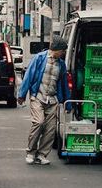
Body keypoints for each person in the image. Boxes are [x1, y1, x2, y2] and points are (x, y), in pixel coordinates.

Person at [16, 36, 69, 166]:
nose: (63, 53)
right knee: (39, 122)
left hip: (52, 99)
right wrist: (22, 95)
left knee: (50, 129)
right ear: (56, 49)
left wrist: (68, 102)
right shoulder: (39, 58)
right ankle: (30, 152)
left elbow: (64, 84)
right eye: (62, 50)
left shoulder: (61, 64)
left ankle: (41, 155)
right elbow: (29, 76)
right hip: (38, 96)